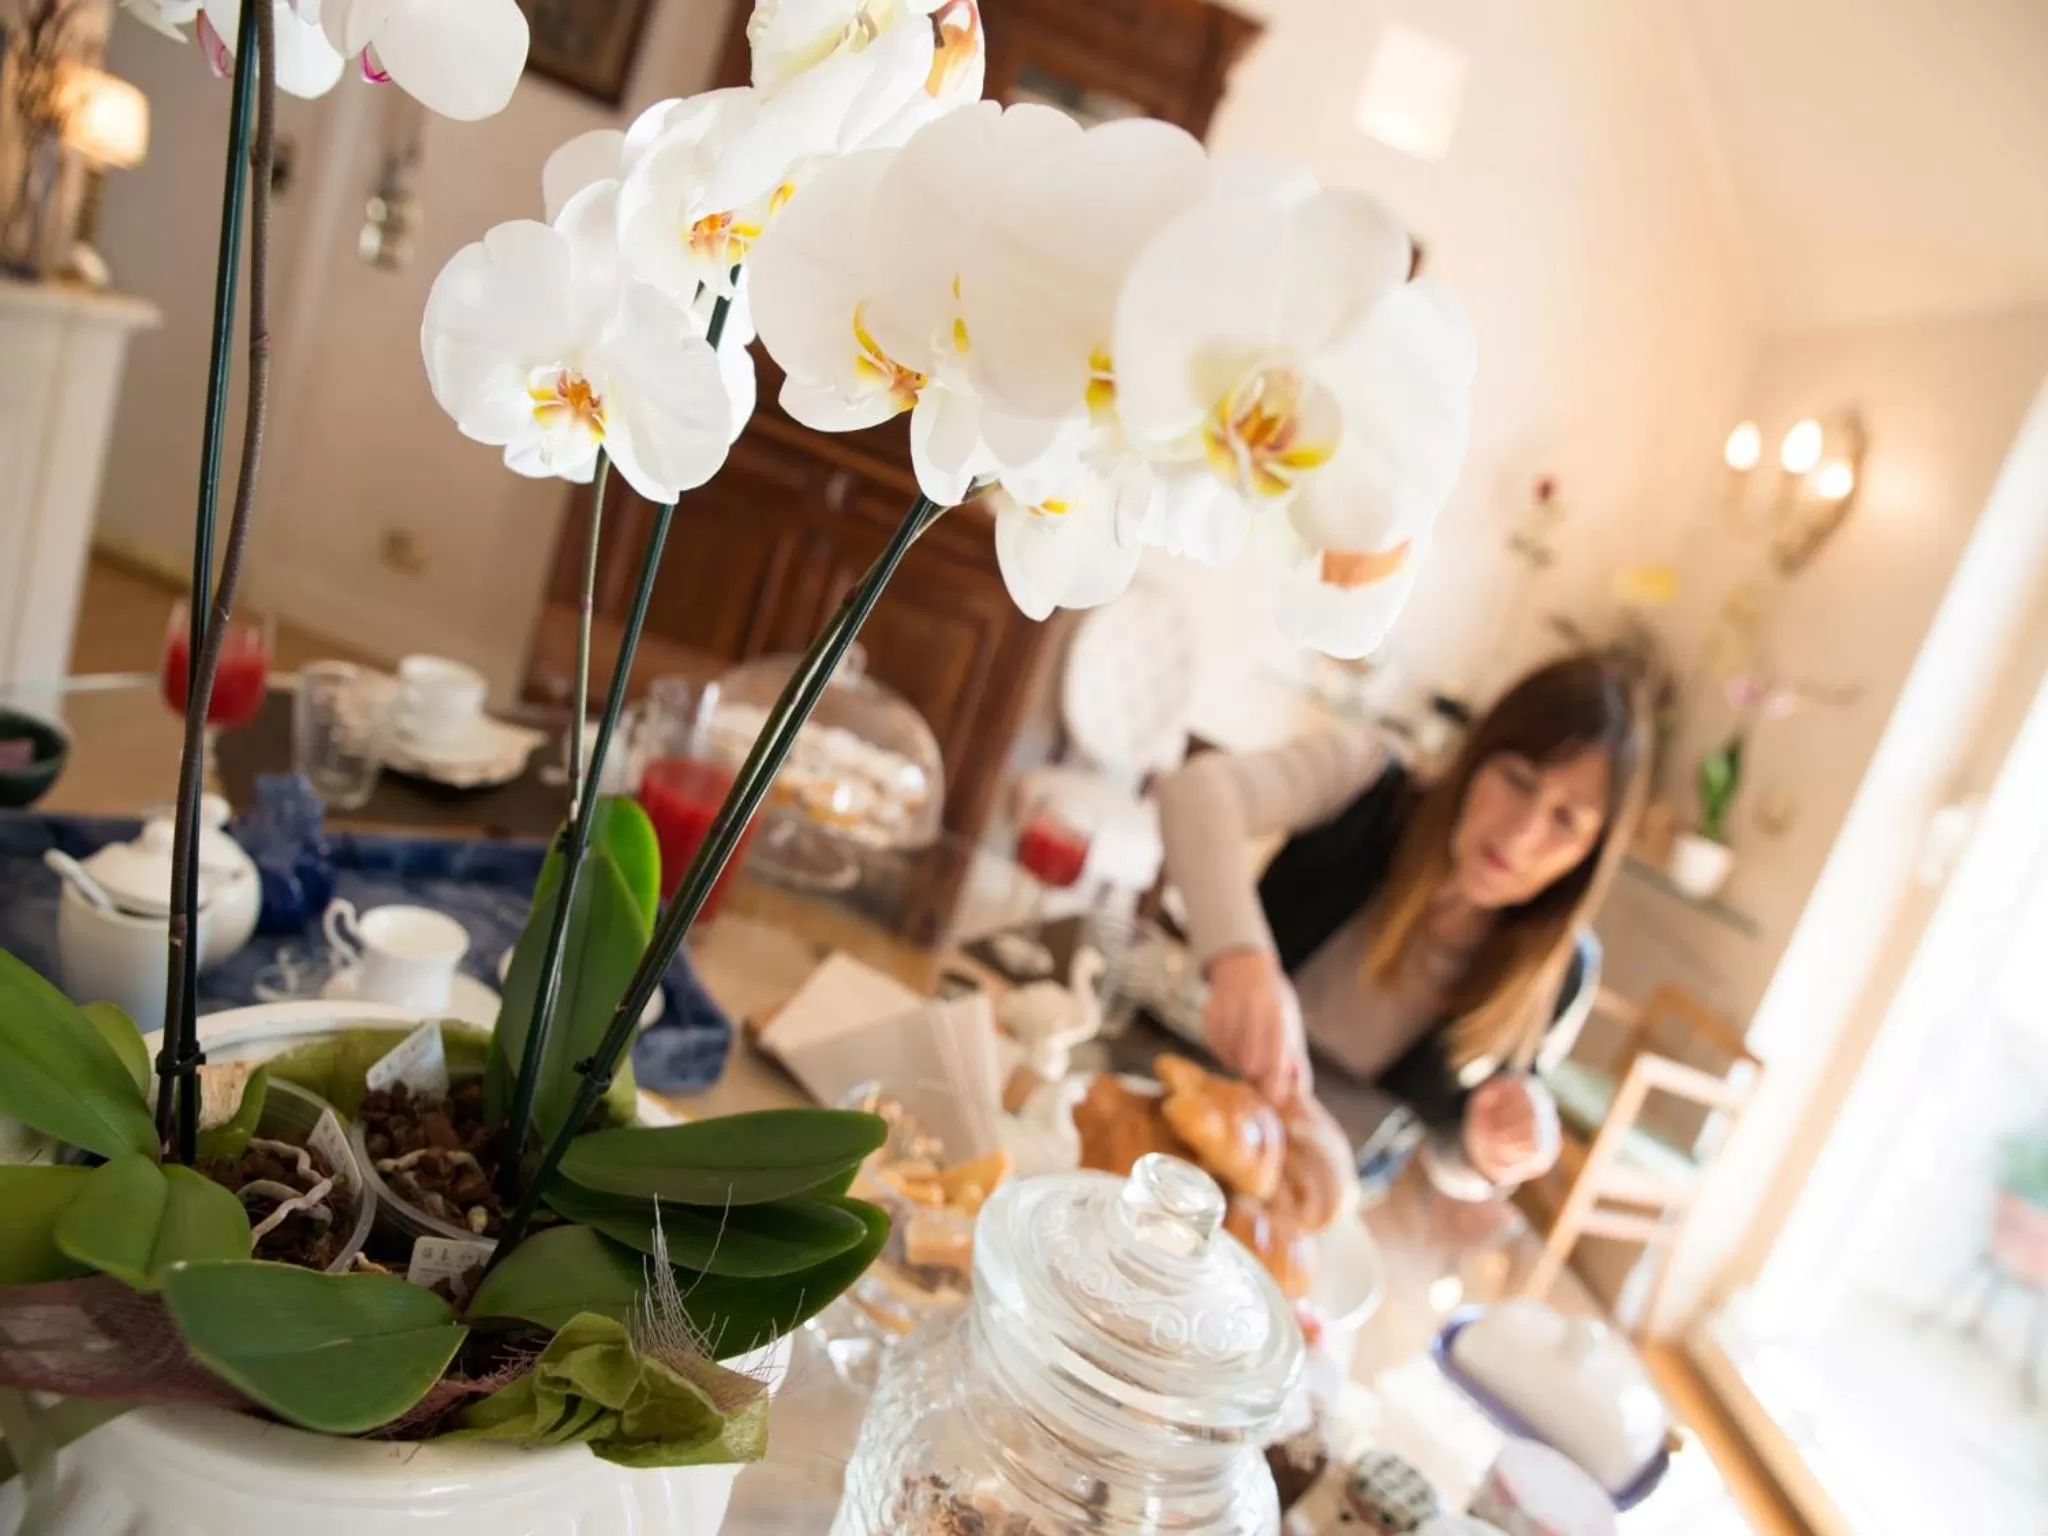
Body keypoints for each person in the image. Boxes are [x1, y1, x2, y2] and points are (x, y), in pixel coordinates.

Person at [1156, 654, 1646, 1187]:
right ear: (1476, 757)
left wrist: (1488, 1149)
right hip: (1191, 1103)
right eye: (1519, 780)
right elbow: (1196, 792)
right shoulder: (1369, 778)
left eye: (1565, 819)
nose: (1523, 832)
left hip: (1321, 1187)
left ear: (1588, 856)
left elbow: (1453, 1164)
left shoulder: (1562, 975)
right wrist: (1241, 959)